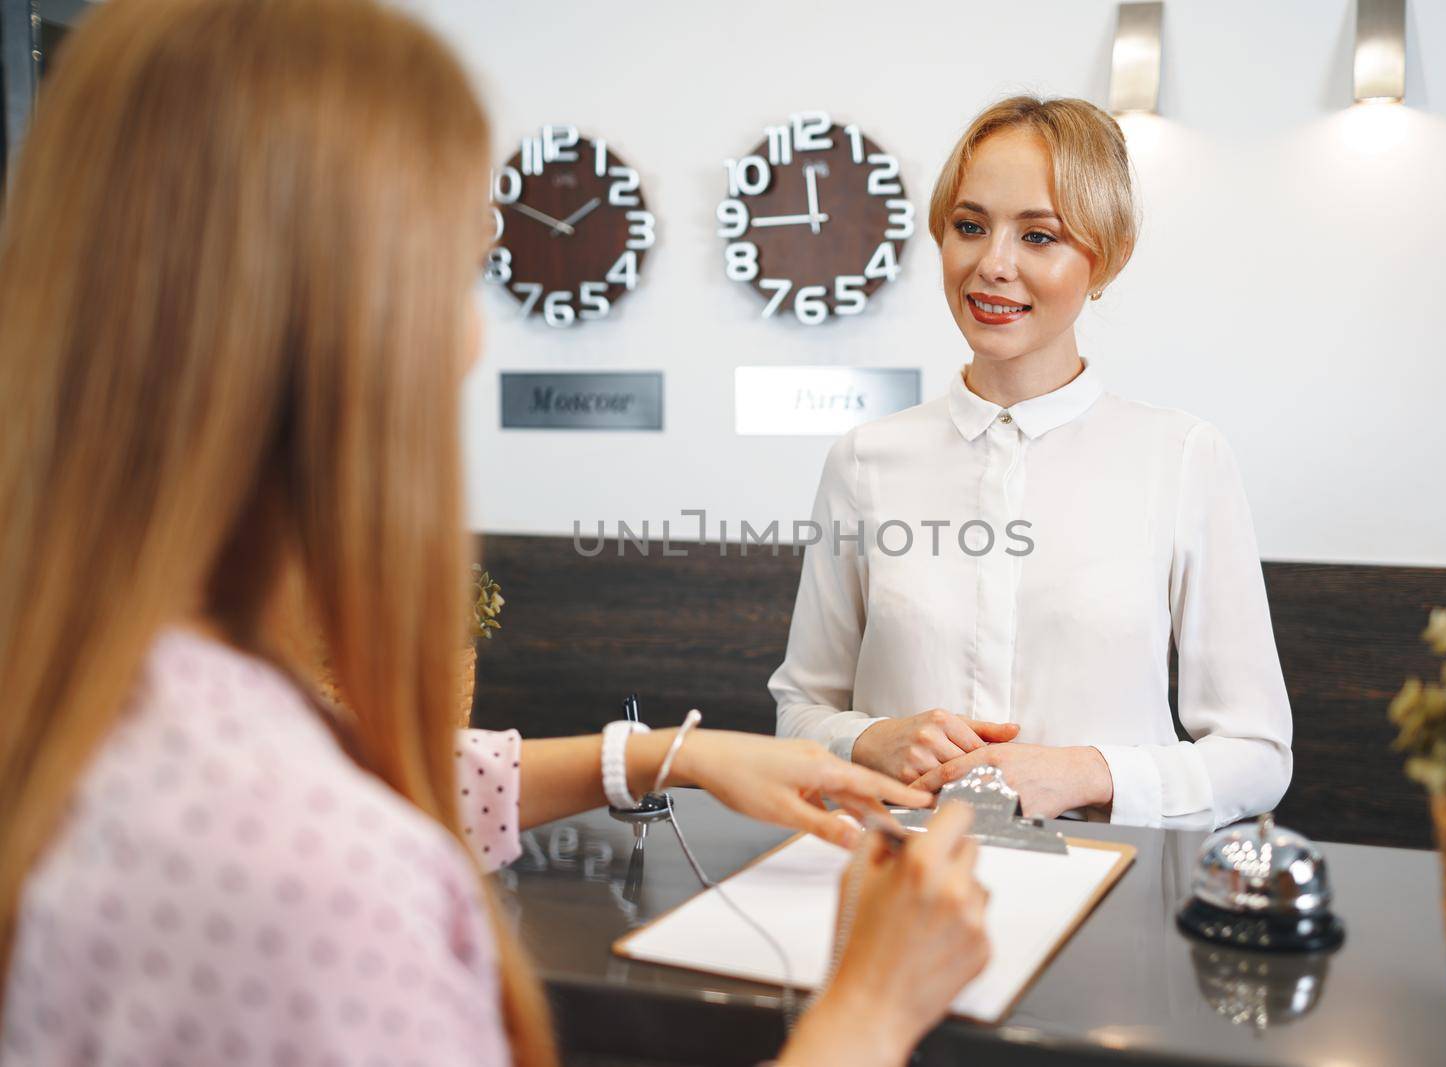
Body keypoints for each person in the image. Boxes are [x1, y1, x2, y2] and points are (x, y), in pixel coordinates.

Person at [0, 2, 988, 1064]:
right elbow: (333, 823)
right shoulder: (317, 878)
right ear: (326, 319)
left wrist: (670, 755)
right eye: (455, 273)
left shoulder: (97, 687)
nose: (472, 340)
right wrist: (872, 1008)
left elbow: (383, 771)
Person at [771, 96, 1293, 831]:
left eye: (1039, 235)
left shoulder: (1181, 458)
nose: (993, 265)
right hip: (900, 891)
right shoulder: (865, 461)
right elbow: (797, 714)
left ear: (1104, 258)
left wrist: (1087, 771)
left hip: (1108, 902)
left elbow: (1258, 753)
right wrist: (867, 738)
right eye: (970, 226)